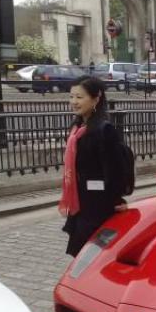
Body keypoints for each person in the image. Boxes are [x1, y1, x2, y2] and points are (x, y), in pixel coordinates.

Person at [60, 76, 127, 257]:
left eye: (79, 97)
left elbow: (115, 170)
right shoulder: (78, 127)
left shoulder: (104, 130)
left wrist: (117, 199)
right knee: (82, 255)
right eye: (71, 96)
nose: (74, 102)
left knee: (94, 256)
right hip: (81, 202)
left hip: (99, 206)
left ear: (96, 98)